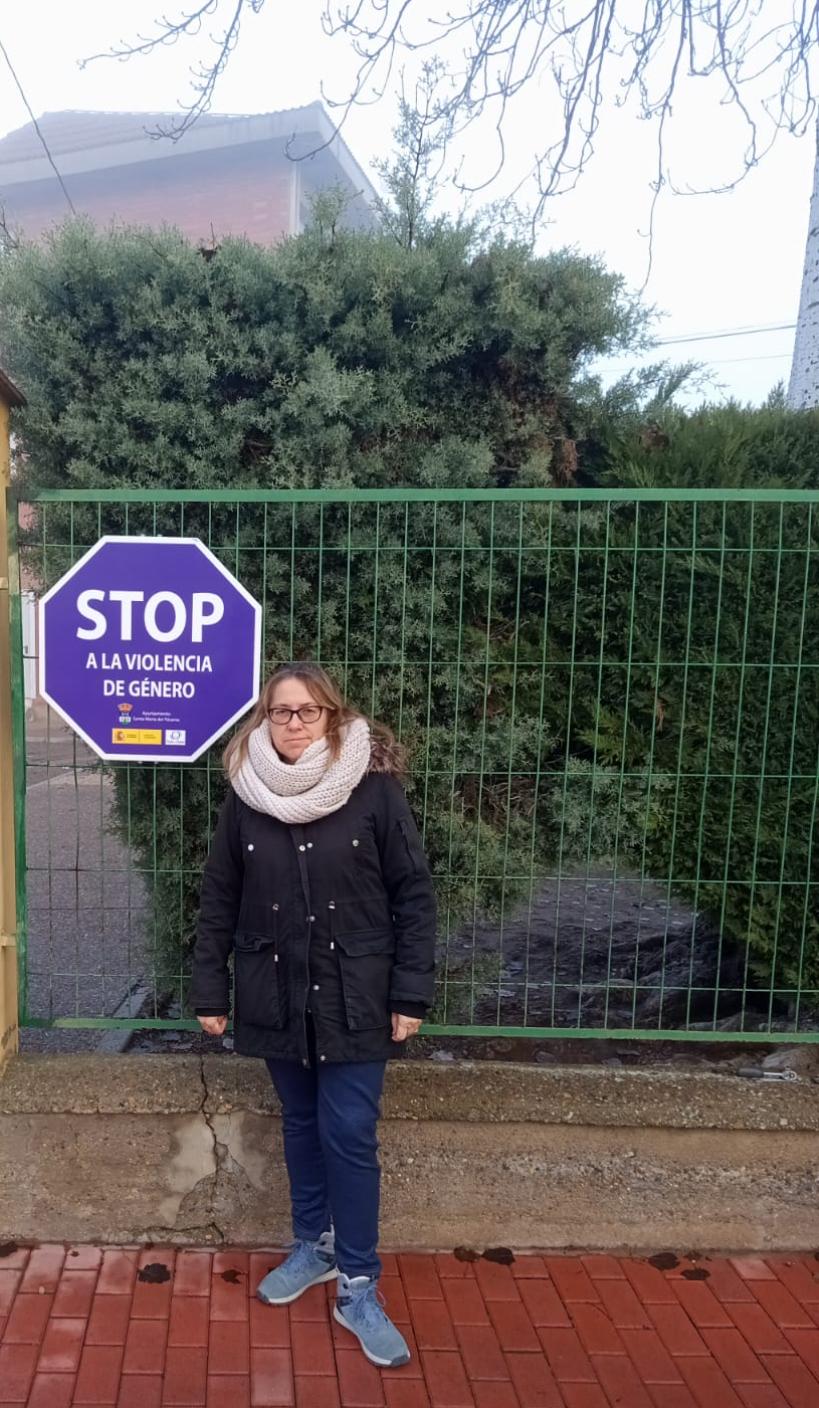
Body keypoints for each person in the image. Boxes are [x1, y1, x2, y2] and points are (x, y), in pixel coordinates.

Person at [190, 662, 436, 1369]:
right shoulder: (246, 796)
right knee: (300, 1123)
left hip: (356, 993)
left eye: (308, 711)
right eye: (281, 711)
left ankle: (358, 1284)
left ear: (332, 715)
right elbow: (219, 895)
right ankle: (315, 1247)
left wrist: (410, 993)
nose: (293, 723)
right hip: (274, 990)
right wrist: (209, 989)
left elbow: (413, 895)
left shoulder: (374, 791)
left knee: (348, 1132)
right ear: (264, 719)